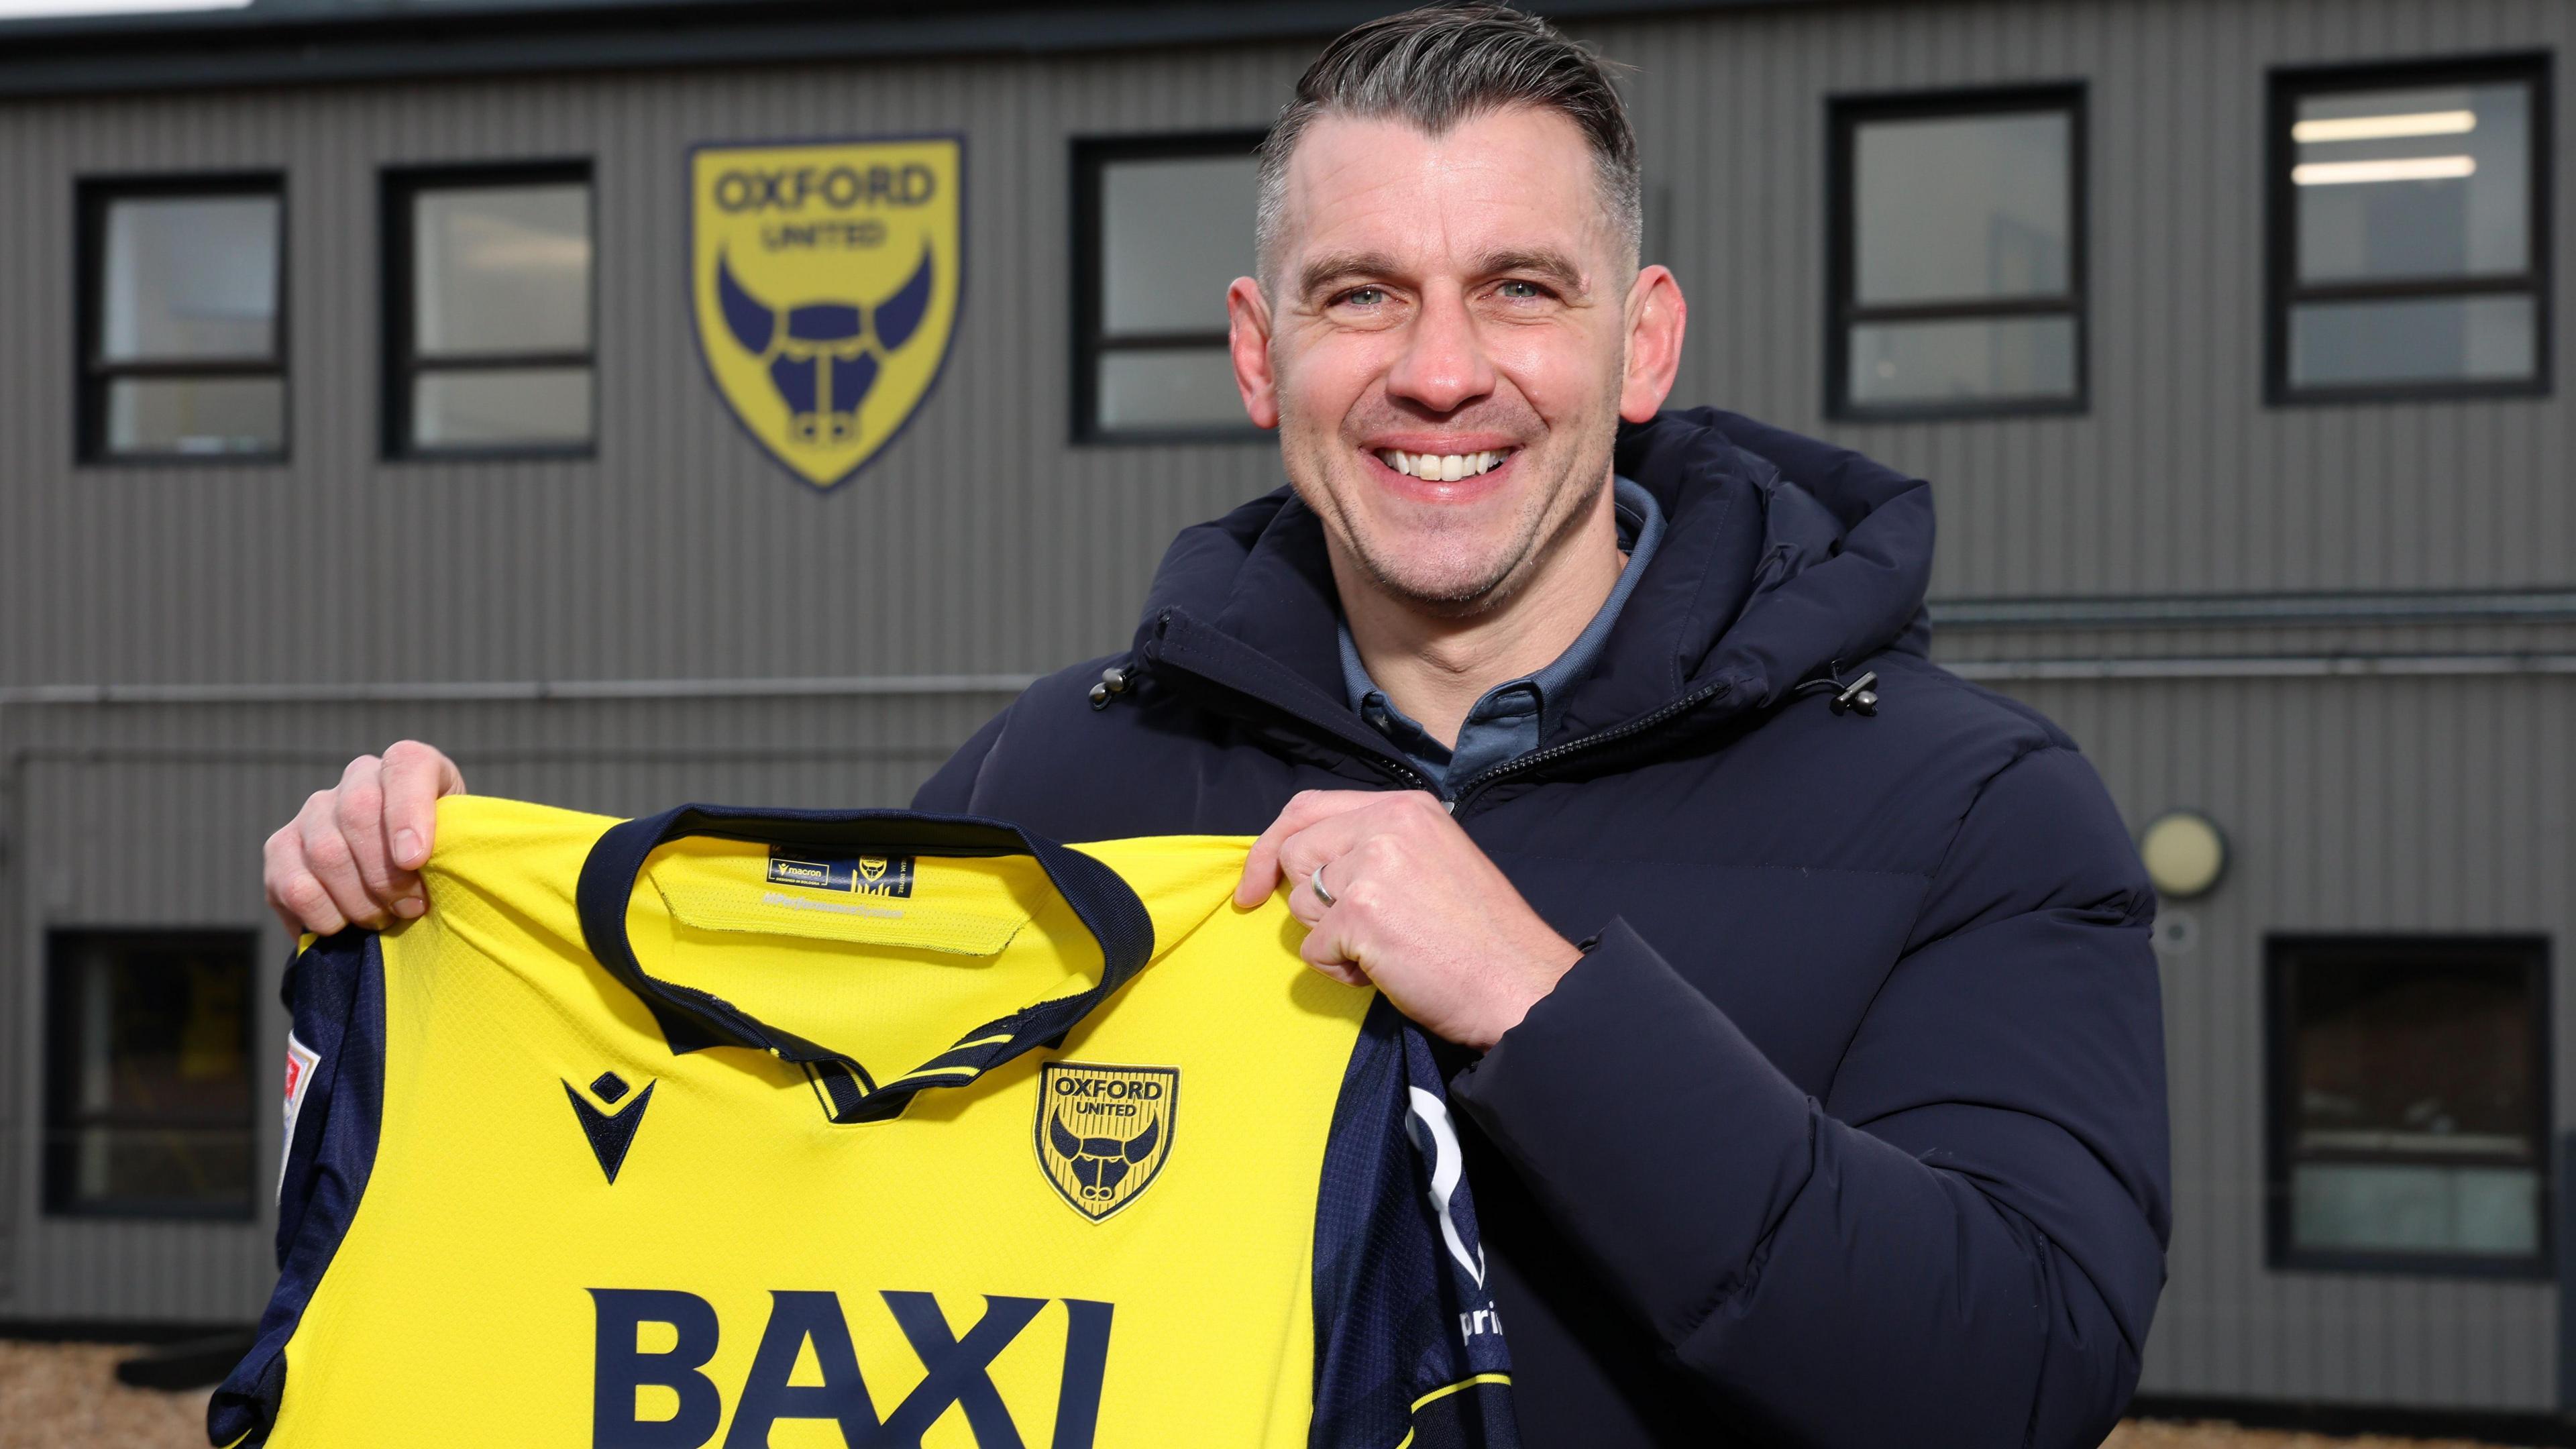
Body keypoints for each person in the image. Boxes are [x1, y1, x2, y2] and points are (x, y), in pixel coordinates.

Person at [262, 7, 2169, 1445]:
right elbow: (779, 1198)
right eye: (1363, 296)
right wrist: (456, 945)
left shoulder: (1975, 806)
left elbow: (2012, 1376)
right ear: (1261, 352)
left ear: (1641, 341)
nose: (1440, 368)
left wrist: (1539, 996)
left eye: (1519, 288)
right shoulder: (1056, 779)